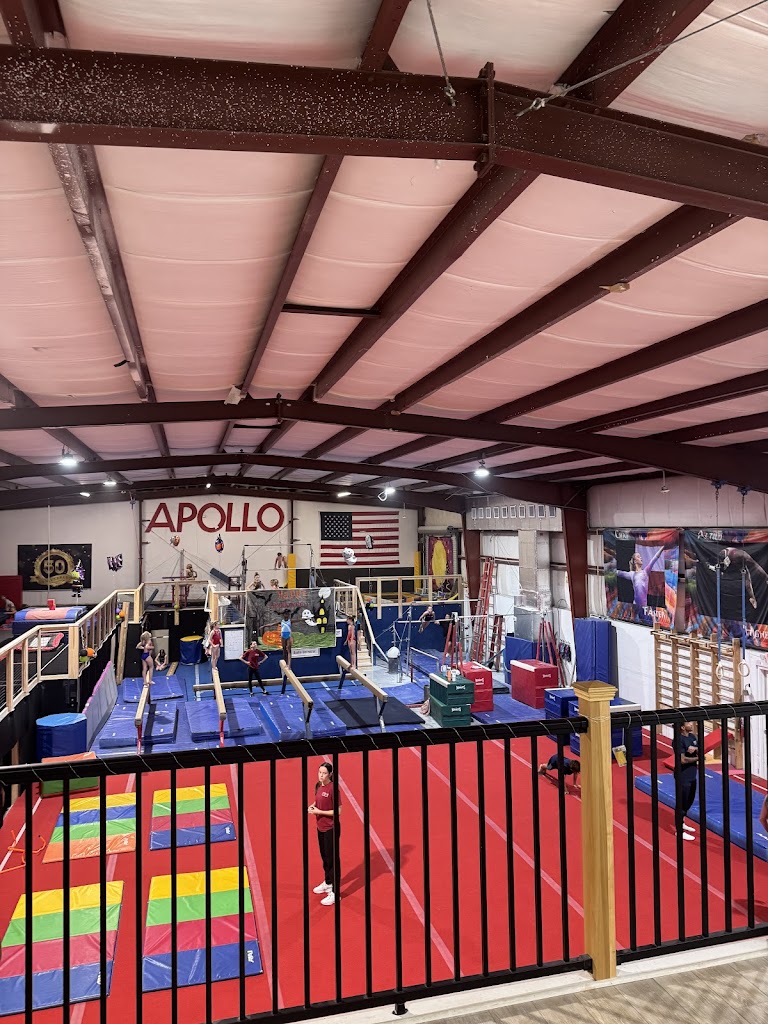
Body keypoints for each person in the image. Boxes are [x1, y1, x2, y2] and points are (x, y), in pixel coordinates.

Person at [309, 761, 340, 906]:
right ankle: (328, 882)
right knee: (325, 858)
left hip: (331, 829)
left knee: (332, 860)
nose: (321, 775)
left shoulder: (333, 788)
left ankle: (335, 892)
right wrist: (313, 806)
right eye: (320, 772)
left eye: (324, 773)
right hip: (320, 827)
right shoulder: (318, 786)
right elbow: (319, 801)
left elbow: (338, 811)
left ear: (330, 774)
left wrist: (319, 811)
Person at [674, 721, 699, 841]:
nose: (692, 724)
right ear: (683, 727)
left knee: (689, 801)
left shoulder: (692, 737)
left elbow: (699, 749)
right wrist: (698, 758)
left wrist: (695, 750)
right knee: (682, 803)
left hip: (692, 774)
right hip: (683, 776)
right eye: (689, 723)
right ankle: (679, 831)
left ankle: (682, 821)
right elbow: (682, 760)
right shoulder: (678, 740)